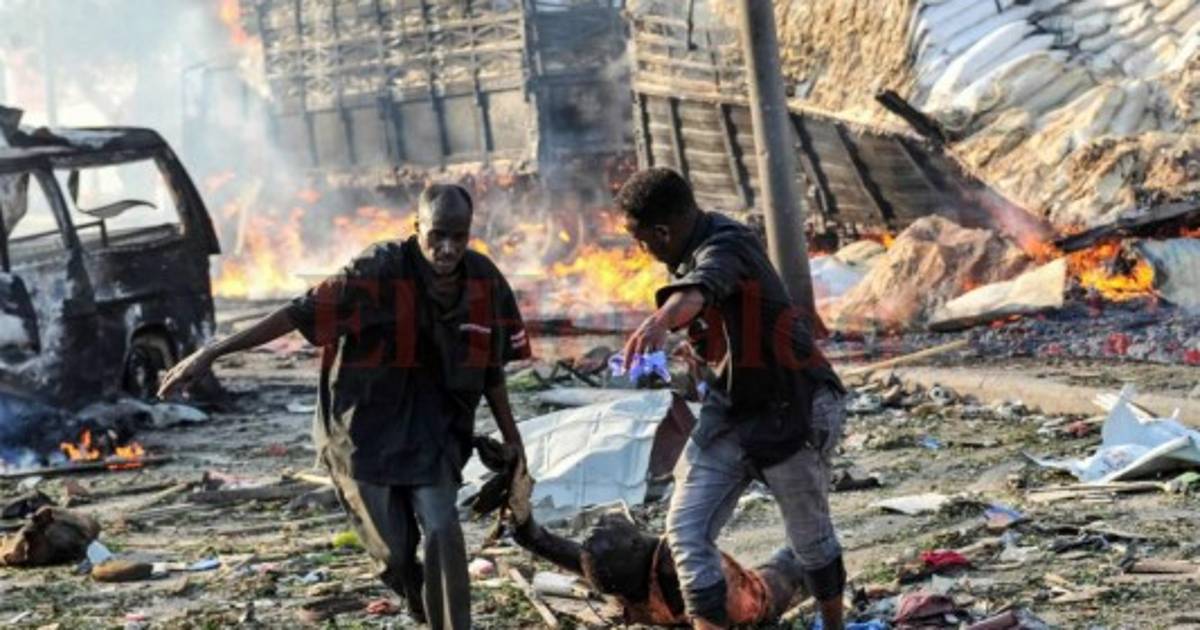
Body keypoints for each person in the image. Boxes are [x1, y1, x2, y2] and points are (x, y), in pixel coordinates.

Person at [158, 184, 530, 629]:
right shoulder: (377, 270)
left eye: (458, 236)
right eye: (437, 235)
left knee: (442, 528)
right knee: (394, 554)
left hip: (436, 434)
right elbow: (297, 313)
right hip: (363, 433)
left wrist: (513, 441)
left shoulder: (485, 282)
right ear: (417, 228)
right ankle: (414, 592)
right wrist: (213, 352)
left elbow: (491, 370)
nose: (448, 248)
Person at [615, 168, 847, 629]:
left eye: (642, 241)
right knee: (685, 531)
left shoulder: (726, 244)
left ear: (662, 232)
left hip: (792, 406)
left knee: (811, 540)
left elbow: (700, 289)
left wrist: (660, 321)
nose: (642, 251)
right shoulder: (683, 256)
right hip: (731, 412)